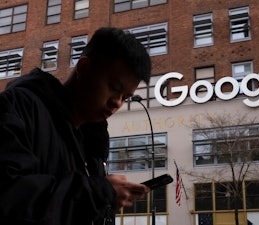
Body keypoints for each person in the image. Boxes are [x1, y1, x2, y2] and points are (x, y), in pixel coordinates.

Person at [0, 27, 152, 225]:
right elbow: (9, 195)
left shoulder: (92, 145)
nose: (117, 103)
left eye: (126, 97)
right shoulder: (18, 107)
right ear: (83, 67)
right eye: (114, 89)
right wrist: (97, 193)